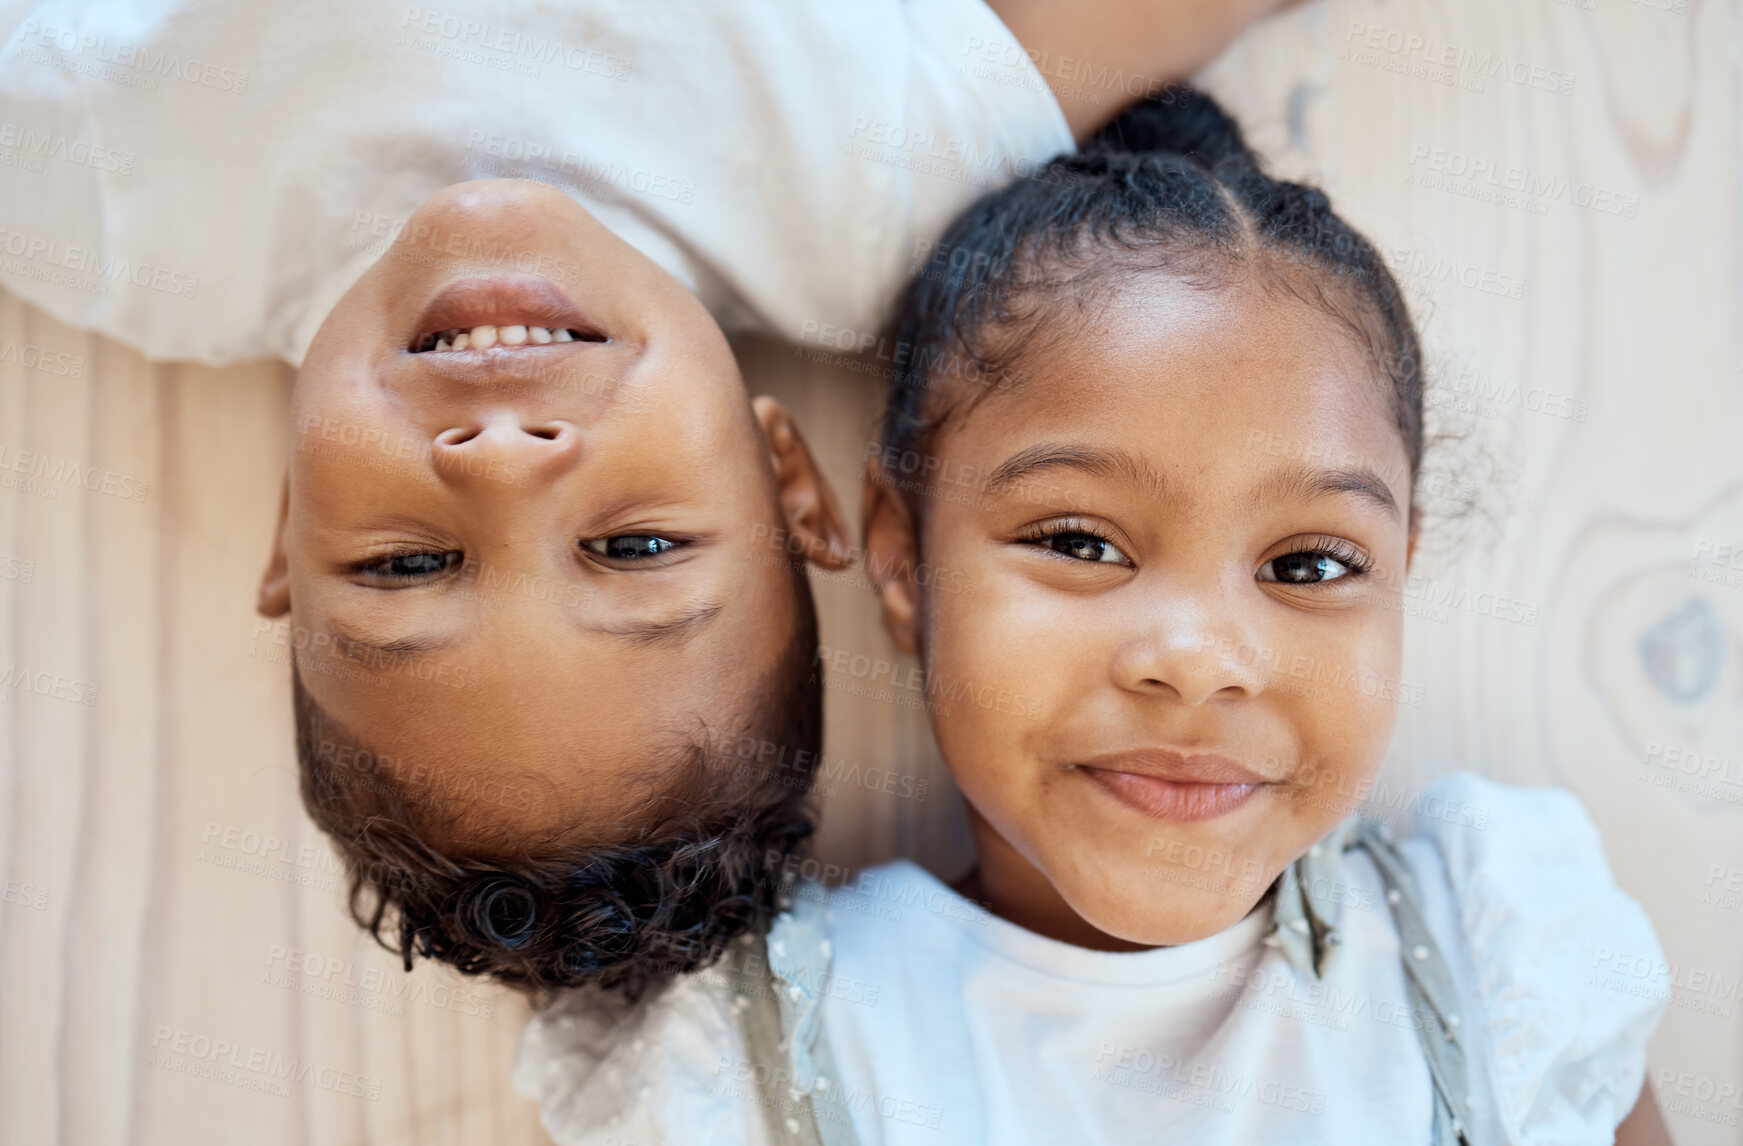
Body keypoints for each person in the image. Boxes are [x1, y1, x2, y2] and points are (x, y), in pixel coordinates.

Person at [0, 0, 1306, 990]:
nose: (501, 464)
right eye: (631, 543)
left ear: (288, 525)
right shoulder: (873, 203)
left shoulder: (115, 206)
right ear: (788, 479)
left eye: (409, 565)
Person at [515, 88, 1674, 1144]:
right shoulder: (739, 1063)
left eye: (1311, 565)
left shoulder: (1501, 963)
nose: (1200, 662)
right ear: (901, 553)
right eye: (1080, 543)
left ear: (1402, 571)